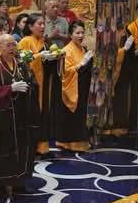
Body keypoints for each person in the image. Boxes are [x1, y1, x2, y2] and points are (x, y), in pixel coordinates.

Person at [0, 34, 39, 198]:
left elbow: (33, 82)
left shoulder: (22, 65)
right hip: (3, 118)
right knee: (3, 150)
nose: (12, 48)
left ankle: (19, 182)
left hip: (22, 116)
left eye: (14, 44)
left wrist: (30, 86)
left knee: (23, 149)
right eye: (8, 45)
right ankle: (2, 185)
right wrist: (10, 88)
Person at [53, 21, 93, 152]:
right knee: (71, 117)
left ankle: (81, 142)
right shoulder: (66, 51)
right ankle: (67, 143)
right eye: (77, 33)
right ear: (70, 35)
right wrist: (81, 64)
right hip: (71, 88)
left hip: (82, 87)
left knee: (81, 116)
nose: (80, 35)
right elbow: (65, 72)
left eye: (82, 33)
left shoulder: (83, 49)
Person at [19, 16, 54, 155]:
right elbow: (21, 61)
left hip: (45, 81)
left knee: (44, 113)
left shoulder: (45, 42)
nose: (43, 27)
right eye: (39, 24)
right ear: (30, 27)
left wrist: (54, 58)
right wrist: (39, 56)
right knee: (32, 114)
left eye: (44, 24)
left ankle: (43, 147)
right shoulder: (25, 41)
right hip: (32, 84)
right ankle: (31, 147)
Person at [107, 3, 138, 136]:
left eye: (127, 15)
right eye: (122, 15)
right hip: (116, 70)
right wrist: (123, 50)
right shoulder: (111, 31)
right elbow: (109, 53)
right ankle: (114, 126)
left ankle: (124, 125)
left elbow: (131, 51)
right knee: (116, 98)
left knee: (124, 98)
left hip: (127, 69)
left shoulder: (127, 31)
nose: (125, 18)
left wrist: (136, 52)